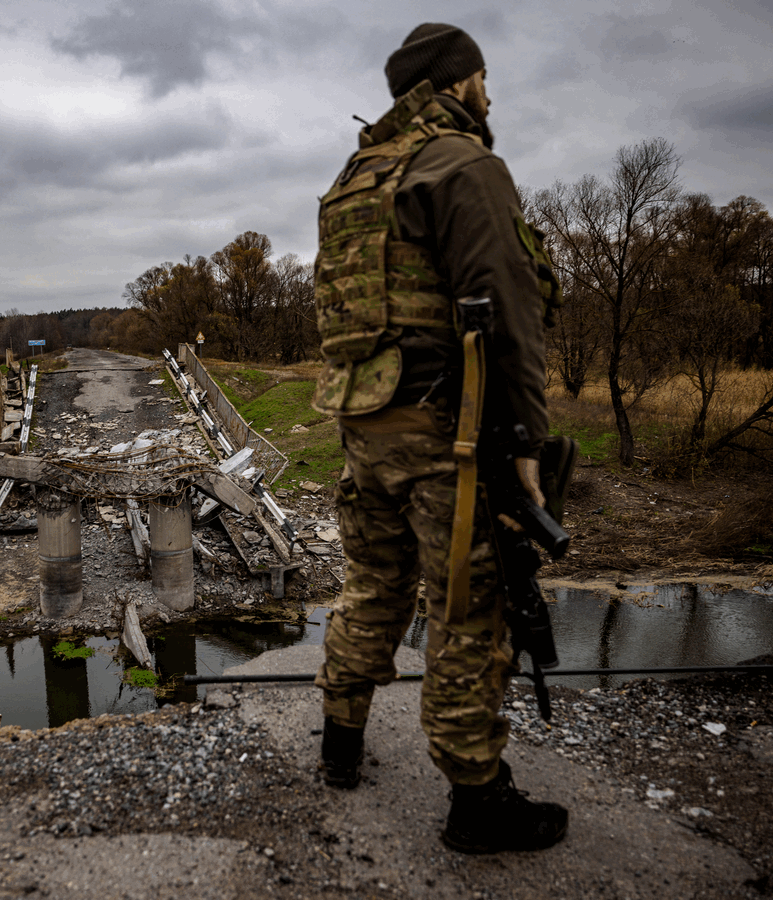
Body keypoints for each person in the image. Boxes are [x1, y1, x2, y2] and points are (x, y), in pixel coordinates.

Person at [311, 23, 568, 854]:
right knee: (468, 607)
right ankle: (477, 801)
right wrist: (524, 438)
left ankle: (340, 741)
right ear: (458, 85)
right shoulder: (463, 165)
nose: (491, 95)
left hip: (364, 427)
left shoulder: (355, 179)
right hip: (445, 433)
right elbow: (511, 306)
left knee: (375, 585)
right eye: (485, 79)